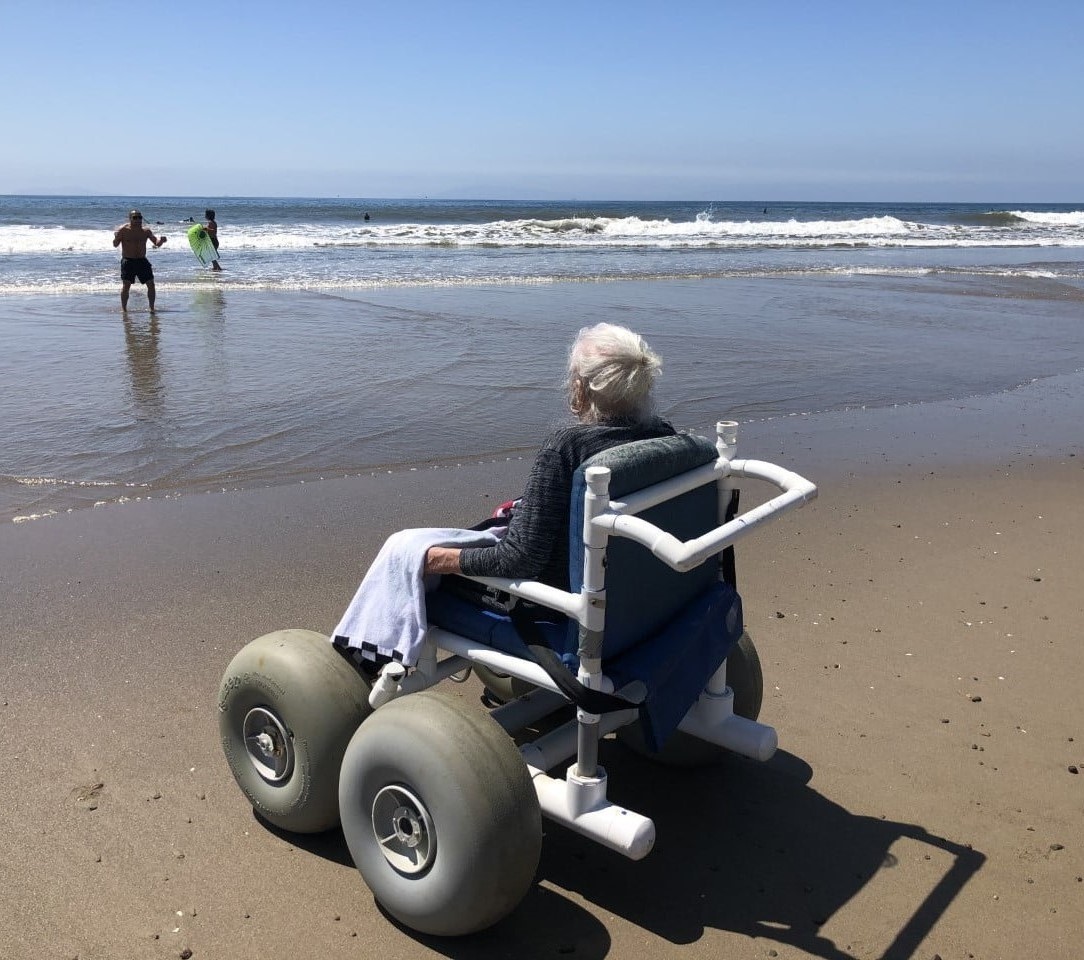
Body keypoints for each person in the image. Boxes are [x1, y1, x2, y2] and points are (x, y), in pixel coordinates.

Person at [331, 323, 674, 667]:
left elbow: (519, 561)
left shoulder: (568, 447)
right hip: (636, 599)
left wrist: (433, 560)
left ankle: (368, 660)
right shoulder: (663, 437)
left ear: (580, 389)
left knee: (405, 552)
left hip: (550, 604)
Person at [113, 210, 167, 312]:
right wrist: (116, 237)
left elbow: (156, 243)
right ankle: (124, 310)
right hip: (128, 261)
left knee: (151, 284)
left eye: (139, 217)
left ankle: (152, 308)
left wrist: (162, 241)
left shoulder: (146, 231)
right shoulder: (123, 230)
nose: (138, 220)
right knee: (126, 285)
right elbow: (115, 244)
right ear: (130, 219)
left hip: (142, 261)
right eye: (135, 217)